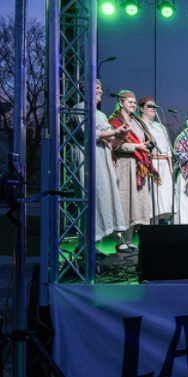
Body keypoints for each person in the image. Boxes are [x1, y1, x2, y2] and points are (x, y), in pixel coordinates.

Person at [72, 79, 128, 256]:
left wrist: (119, 136)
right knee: (91, 197)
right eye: (96, 87)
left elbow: (111, 143)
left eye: (101, 88)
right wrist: (115, 132)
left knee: (103, 197)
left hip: (102, 156)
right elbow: (87, 132)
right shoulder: (80, 108)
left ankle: (92, 243)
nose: (100, 91)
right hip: (88, 155)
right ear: (84, 89)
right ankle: (84, 244)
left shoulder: (100, 114)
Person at [108, 90, 159, 253]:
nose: (133, 104)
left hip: (138, 166)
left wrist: (148, 147)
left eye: (135, 102)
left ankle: (129, 240)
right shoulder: (114, 121)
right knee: (123, 201)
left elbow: (146, 140)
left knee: (135, 203)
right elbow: (115, 145)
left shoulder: (137, 121)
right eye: (129, 101)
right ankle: (119, 240)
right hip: (123, 165)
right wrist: (136, 146)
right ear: (120, 102)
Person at [138, 96, 174, 224]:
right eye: (149, 106)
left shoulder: (160, 126)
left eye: (154, 106)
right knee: (151, 196)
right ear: (141, 109)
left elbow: (168, 149)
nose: (153, 108)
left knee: (163, 198)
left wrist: (170, 168)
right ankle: (147, 226)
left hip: (164, 163)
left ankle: (157, 225)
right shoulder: (140, 124)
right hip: (150, 162)